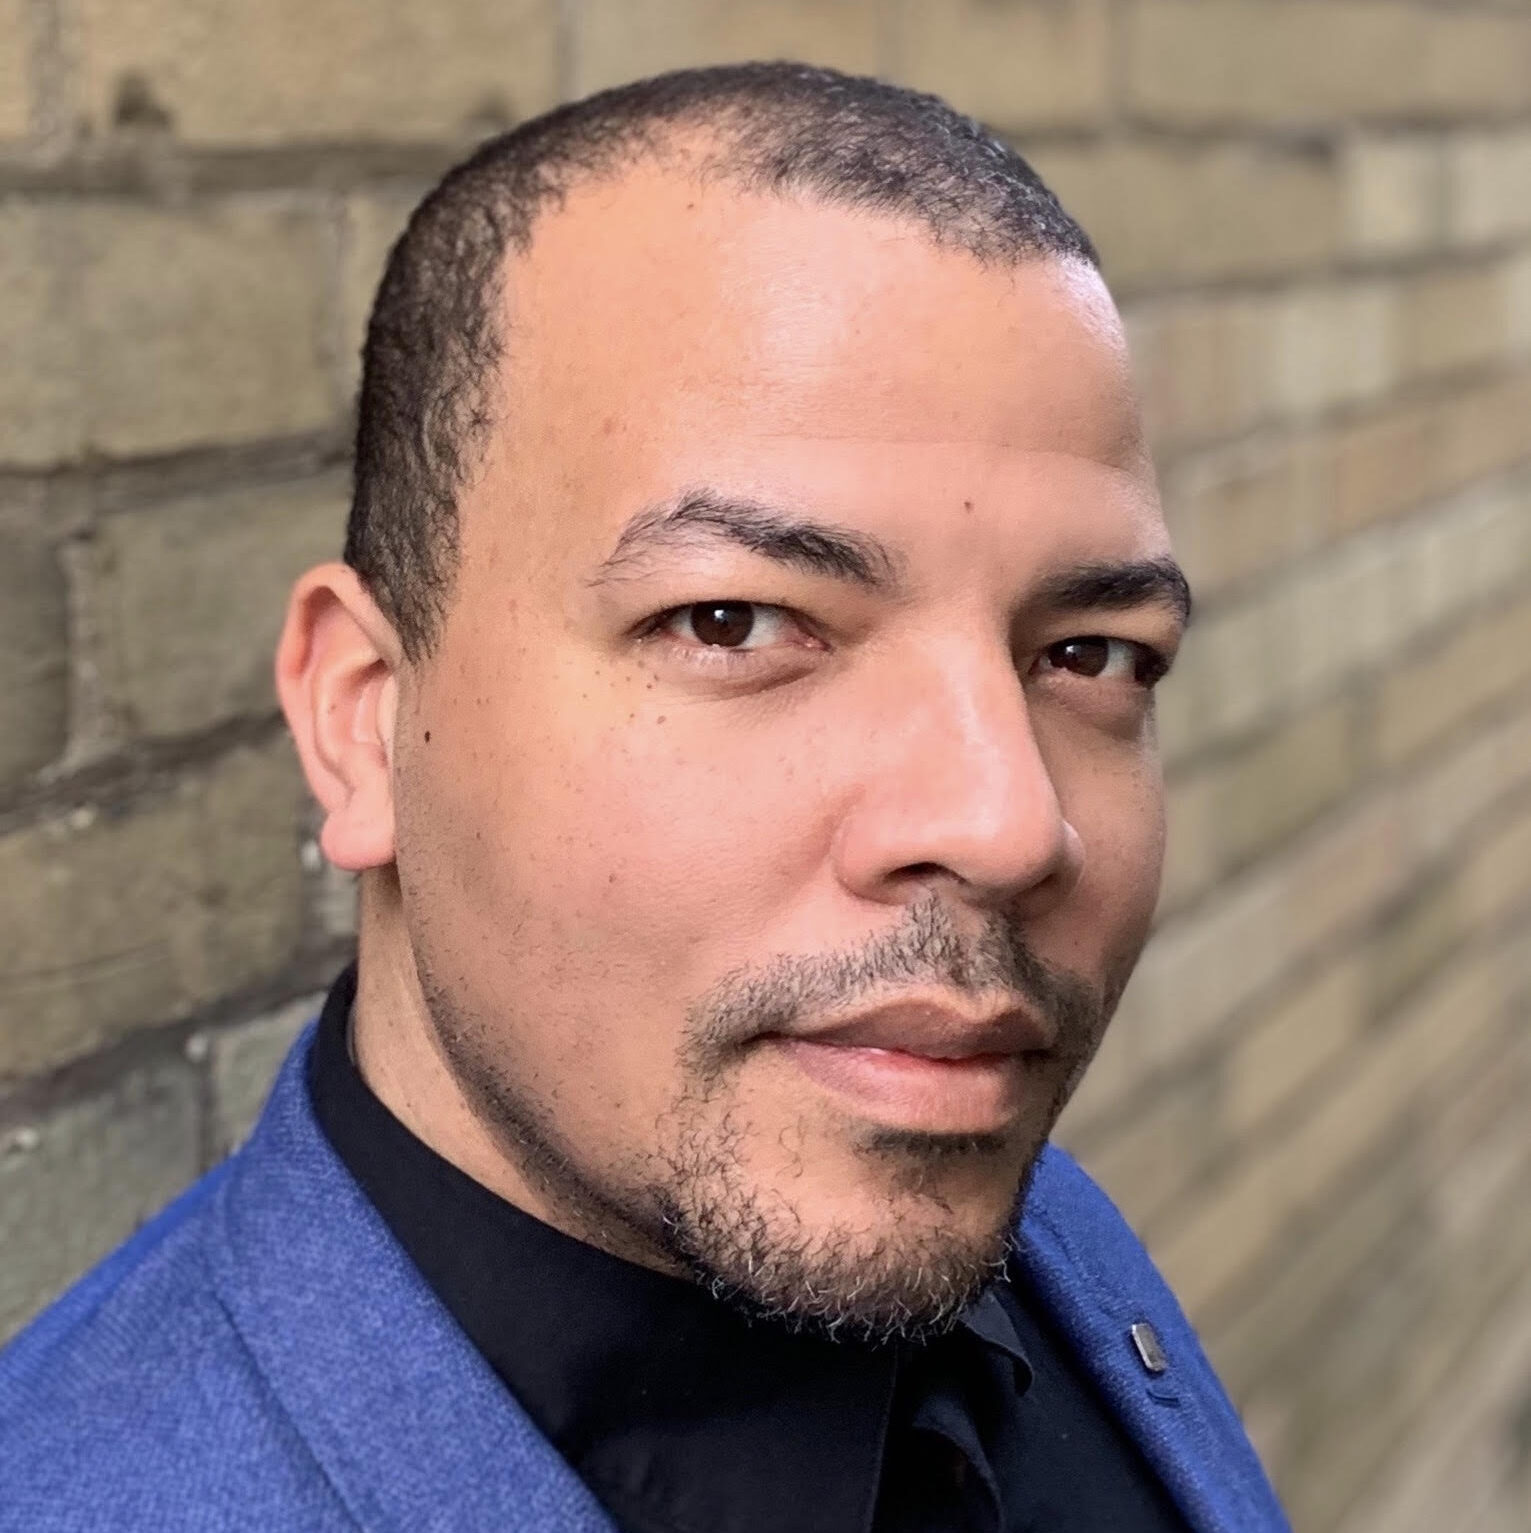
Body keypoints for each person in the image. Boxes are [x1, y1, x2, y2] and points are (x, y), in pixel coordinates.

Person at [0, 63, 1289, 1533]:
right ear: (364, 721)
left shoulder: (1050, 1253)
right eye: (735, 624)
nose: (1005, 823)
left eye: (1091, 653)